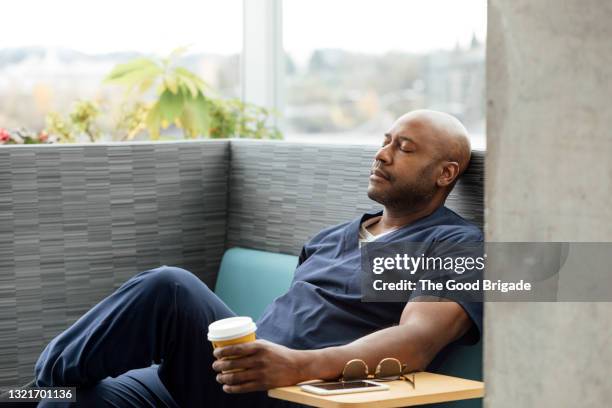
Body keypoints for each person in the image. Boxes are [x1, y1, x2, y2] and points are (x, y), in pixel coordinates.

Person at [33, 110, 482, 407]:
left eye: (404, 148)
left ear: (446, 173)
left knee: (170, 288)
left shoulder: (455, 244)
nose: (382, 154)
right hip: (227, 380)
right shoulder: (329, 238)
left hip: (295, 392)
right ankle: (38, 388)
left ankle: (35, 379)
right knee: (70, 398)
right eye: (385, 141)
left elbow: (417, 342)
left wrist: (298, 365)